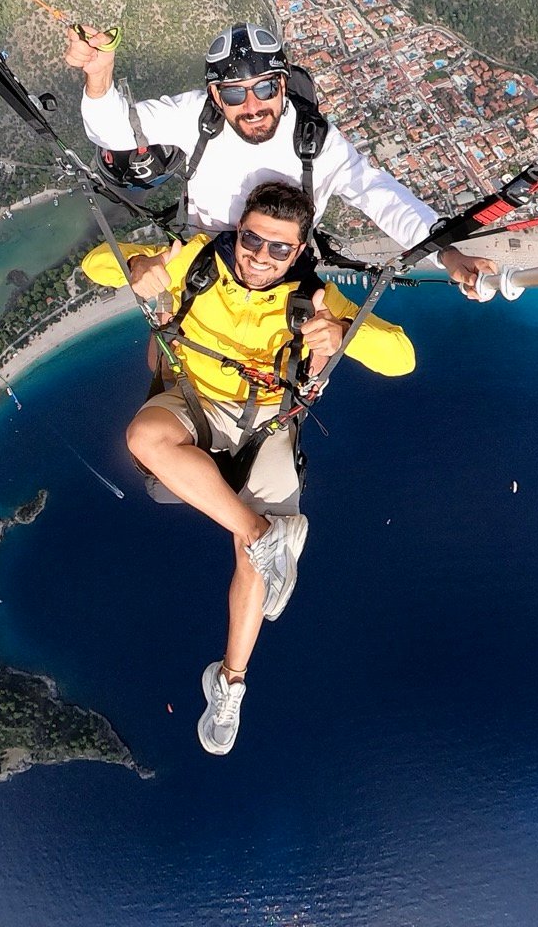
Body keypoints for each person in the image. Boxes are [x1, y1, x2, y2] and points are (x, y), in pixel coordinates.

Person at [81, 180, 415, 755]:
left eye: (278, 249)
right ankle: (260, 533)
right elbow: (96, 264)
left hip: (266, 420)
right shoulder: (198, 260)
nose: (260, 257)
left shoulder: (315, 299)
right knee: (145, 437)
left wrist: (343, 335)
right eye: (253, 241)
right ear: (239, 232)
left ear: (301, 249)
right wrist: (140, 264)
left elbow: (402, 357)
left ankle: (230, 683)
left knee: (254, 564)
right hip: (195, 400)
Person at [65, 20, 496, 297]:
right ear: (216, 95)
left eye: (266, 89)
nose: (252, 106)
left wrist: (448, 255)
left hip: (282, 269)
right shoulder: (198, 115)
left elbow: (377, 194)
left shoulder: (314, 141)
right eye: (235, 93)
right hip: (203, 256)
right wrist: (99, 76)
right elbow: (114, 133)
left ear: (284, 86)